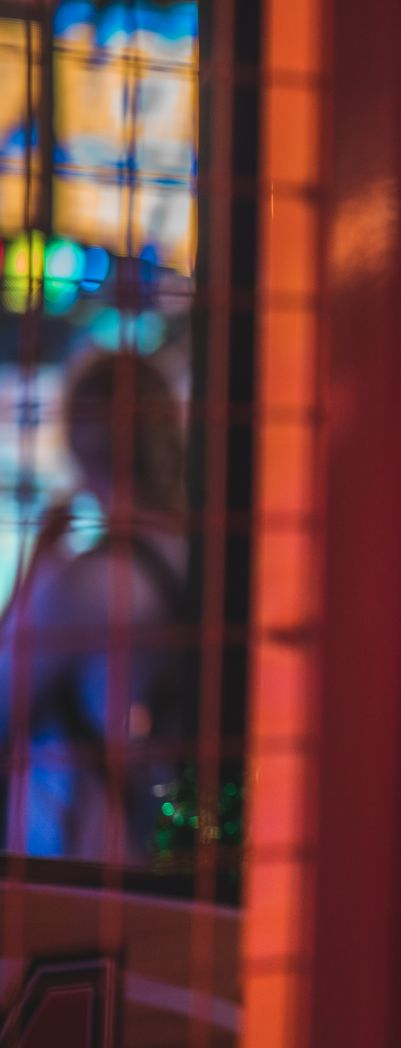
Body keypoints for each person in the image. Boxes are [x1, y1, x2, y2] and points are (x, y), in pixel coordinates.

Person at [0, 351, 189, 862]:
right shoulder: (195, 556)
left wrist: (31, 575)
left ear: (79, 449)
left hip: (72, 874)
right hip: (160, 855)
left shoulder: (81, 585)